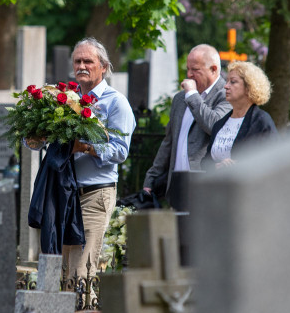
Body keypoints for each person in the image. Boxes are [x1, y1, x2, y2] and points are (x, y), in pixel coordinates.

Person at [61, 38, 135, 279]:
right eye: (77, 61)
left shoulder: (116, 102)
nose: (82, 66)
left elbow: (121, 151)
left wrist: (85, 147)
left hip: (95, 194)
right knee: (63, 269)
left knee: (83, 270)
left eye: (88, 61)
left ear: (103, 67)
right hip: (65, 194)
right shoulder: (66, 100)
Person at [143, 45, 231, 199]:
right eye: (188, 69)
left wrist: (192, 95)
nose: (189, 74)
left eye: (195, 70)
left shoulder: (225, 95)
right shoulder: (180, 98)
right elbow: (169, 142)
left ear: (213, 69)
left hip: (205, 186)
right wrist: (151, 177)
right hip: (177, 185)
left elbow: (215, 126)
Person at [205, 61, 277, 167]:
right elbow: (205, 162)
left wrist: (239, 166)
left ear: (249, 87)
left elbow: (274, 159)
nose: (226, 86)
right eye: (227, 81)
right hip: (217, 183)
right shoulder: (219, 125)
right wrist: (215, 167)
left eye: (233, 82)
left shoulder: (261, 121)